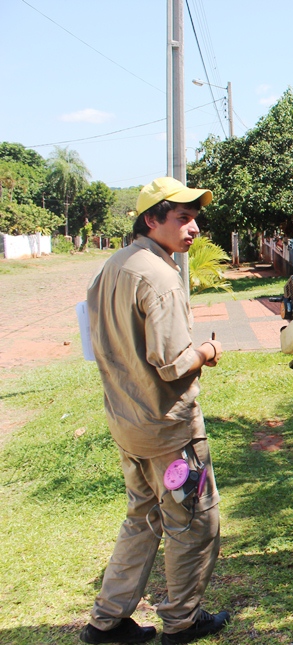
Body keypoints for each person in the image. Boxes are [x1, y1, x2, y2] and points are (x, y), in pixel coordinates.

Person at [80, 177, 230, 645]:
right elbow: (171, 366)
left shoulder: (113, 266)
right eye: (182, 218)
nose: (193, 228)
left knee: (142, 520)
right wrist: (205, 352)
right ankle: (182, 621)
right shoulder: (161, 276)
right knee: (195, 521)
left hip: (128, 424)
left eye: (194, 218)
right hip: (170, 434)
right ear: (151, 220)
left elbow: (92, 339)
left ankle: (106, 621)